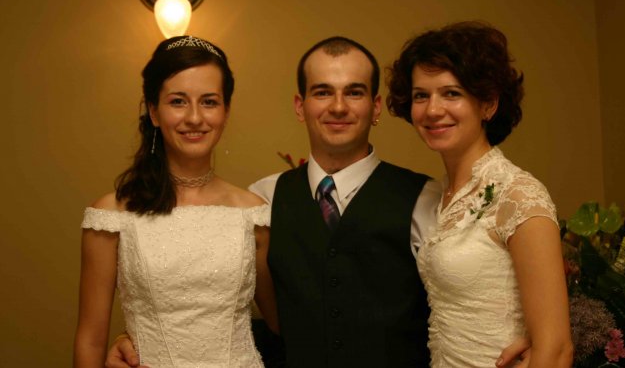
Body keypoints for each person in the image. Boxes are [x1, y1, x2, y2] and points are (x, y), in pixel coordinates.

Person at [106, 36, 532, 367]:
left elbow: (471, 285)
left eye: (355, 92)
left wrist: (527, 337)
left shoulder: (428, 198)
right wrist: (135, 338)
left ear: (376, 106)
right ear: (301, 105)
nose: (338, 107)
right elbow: (202, 291)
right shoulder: (261, 200)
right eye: (323, 92)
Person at [73, 36, 278, 368]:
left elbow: (285, 323)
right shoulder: (110, 215)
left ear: (226, 111)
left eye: (209, 102)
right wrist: (124, 339)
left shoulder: (253, 213)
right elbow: (90, 340)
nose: (195, 117)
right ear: (154, 111)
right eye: (178, 101)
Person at [386, 21, 574, 367]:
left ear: (488, 104)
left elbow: (557, 348)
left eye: (451, 93)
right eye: (421, 95)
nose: (432, 110)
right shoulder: (438, 197)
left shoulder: (517, 194)